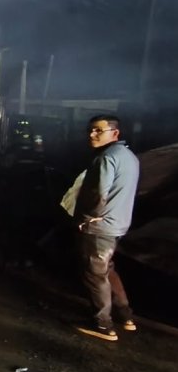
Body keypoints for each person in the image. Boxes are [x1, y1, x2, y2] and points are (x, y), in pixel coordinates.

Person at [74, 114, 139, 342]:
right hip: (119, 224)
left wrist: (89, 216)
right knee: (107, 269)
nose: (92, 135)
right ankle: (125, 316)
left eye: (98, 130)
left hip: (100, 226)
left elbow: (100, 193)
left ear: (115, 133)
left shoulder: (106, 158)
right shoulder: (129, 157)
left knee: (95, 274)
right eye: (91, 130)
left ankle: (103, 325)